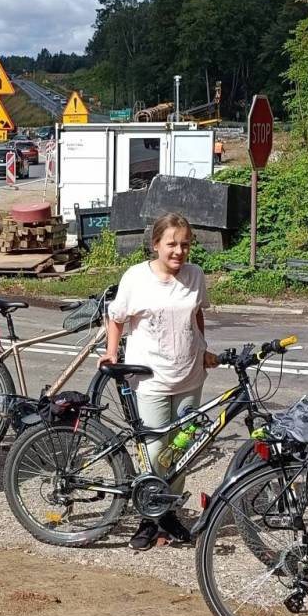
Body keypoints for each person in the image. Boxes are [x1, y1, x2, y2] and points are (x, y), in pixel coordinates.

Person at [102, 212, 217, 551]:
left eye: (185, 244)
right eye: (172, 244)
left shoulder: (195, 275)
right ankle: (148, 518)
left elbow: (197, 314)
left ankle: (167, 515)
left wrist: (203, 349)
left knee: (181, 452)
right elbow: (116, 317)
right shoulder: (136, 278)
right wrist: (111, 352)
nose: (179, 251)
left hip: (190, 377)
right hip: (151, 380)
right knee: (155, 455)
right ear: (156, 245)